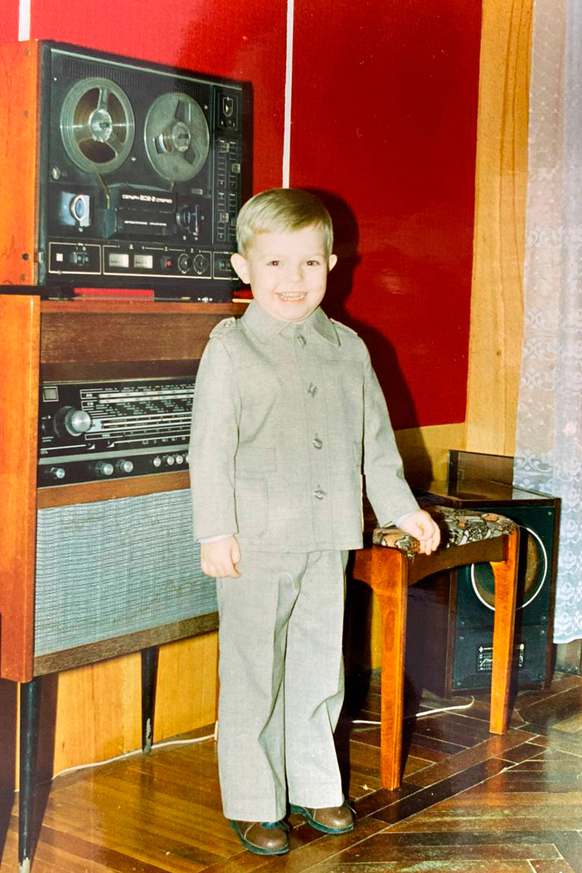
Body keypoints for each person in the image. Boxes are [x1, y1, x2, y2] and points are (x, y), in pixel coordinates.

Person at [189, 188, 440, 856]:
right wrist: (214, 530)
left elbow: (374, 445)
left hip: (328, 537)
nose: (292, 279)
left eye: (308, 262)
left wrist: (404, 509)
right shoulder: (231, 350)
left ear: (331, 264)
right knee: (255, 671)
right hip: (254, 543)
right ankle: (254, 798)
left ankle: (314, 781)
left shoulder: (348, 349)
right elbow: (208, 450)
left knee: (320, 665)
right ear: (244, 268)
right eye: (274, 263)